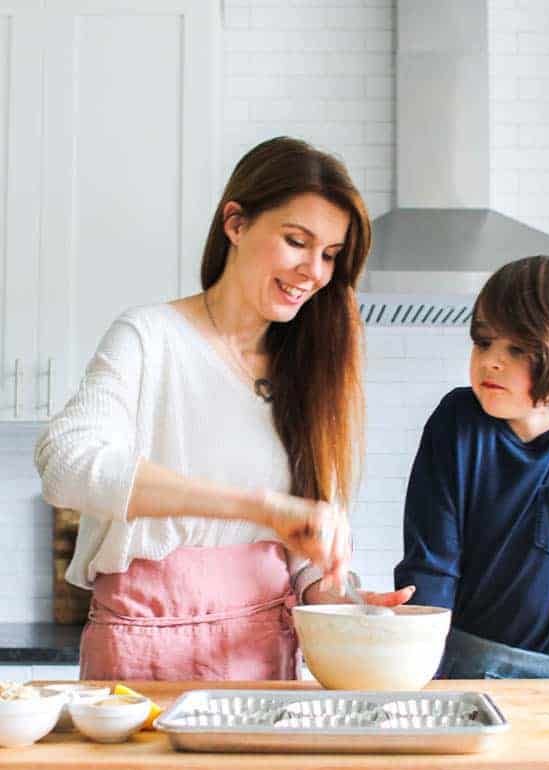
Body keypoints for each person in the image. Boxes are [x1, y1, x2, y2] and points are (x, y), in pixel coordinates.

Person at [36, 136, 412, 681]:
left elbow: (301, 560)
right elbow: (65, 465)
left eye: (330, 255)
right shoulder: (149, 337)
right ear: (235, 224)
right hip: (142, 652)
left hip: (259, 656)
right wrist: (257, 507)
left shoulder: (308, 367)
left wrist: (340, 597)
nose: (313, 271)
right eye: (296, 241)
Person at [394, 255, 549, 686]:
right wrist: (421, 680)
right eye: (483, 342)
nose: (491, 361)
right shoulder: (455, 421)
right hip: (455, 667)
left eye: (518, 349)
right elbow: (431, 568)